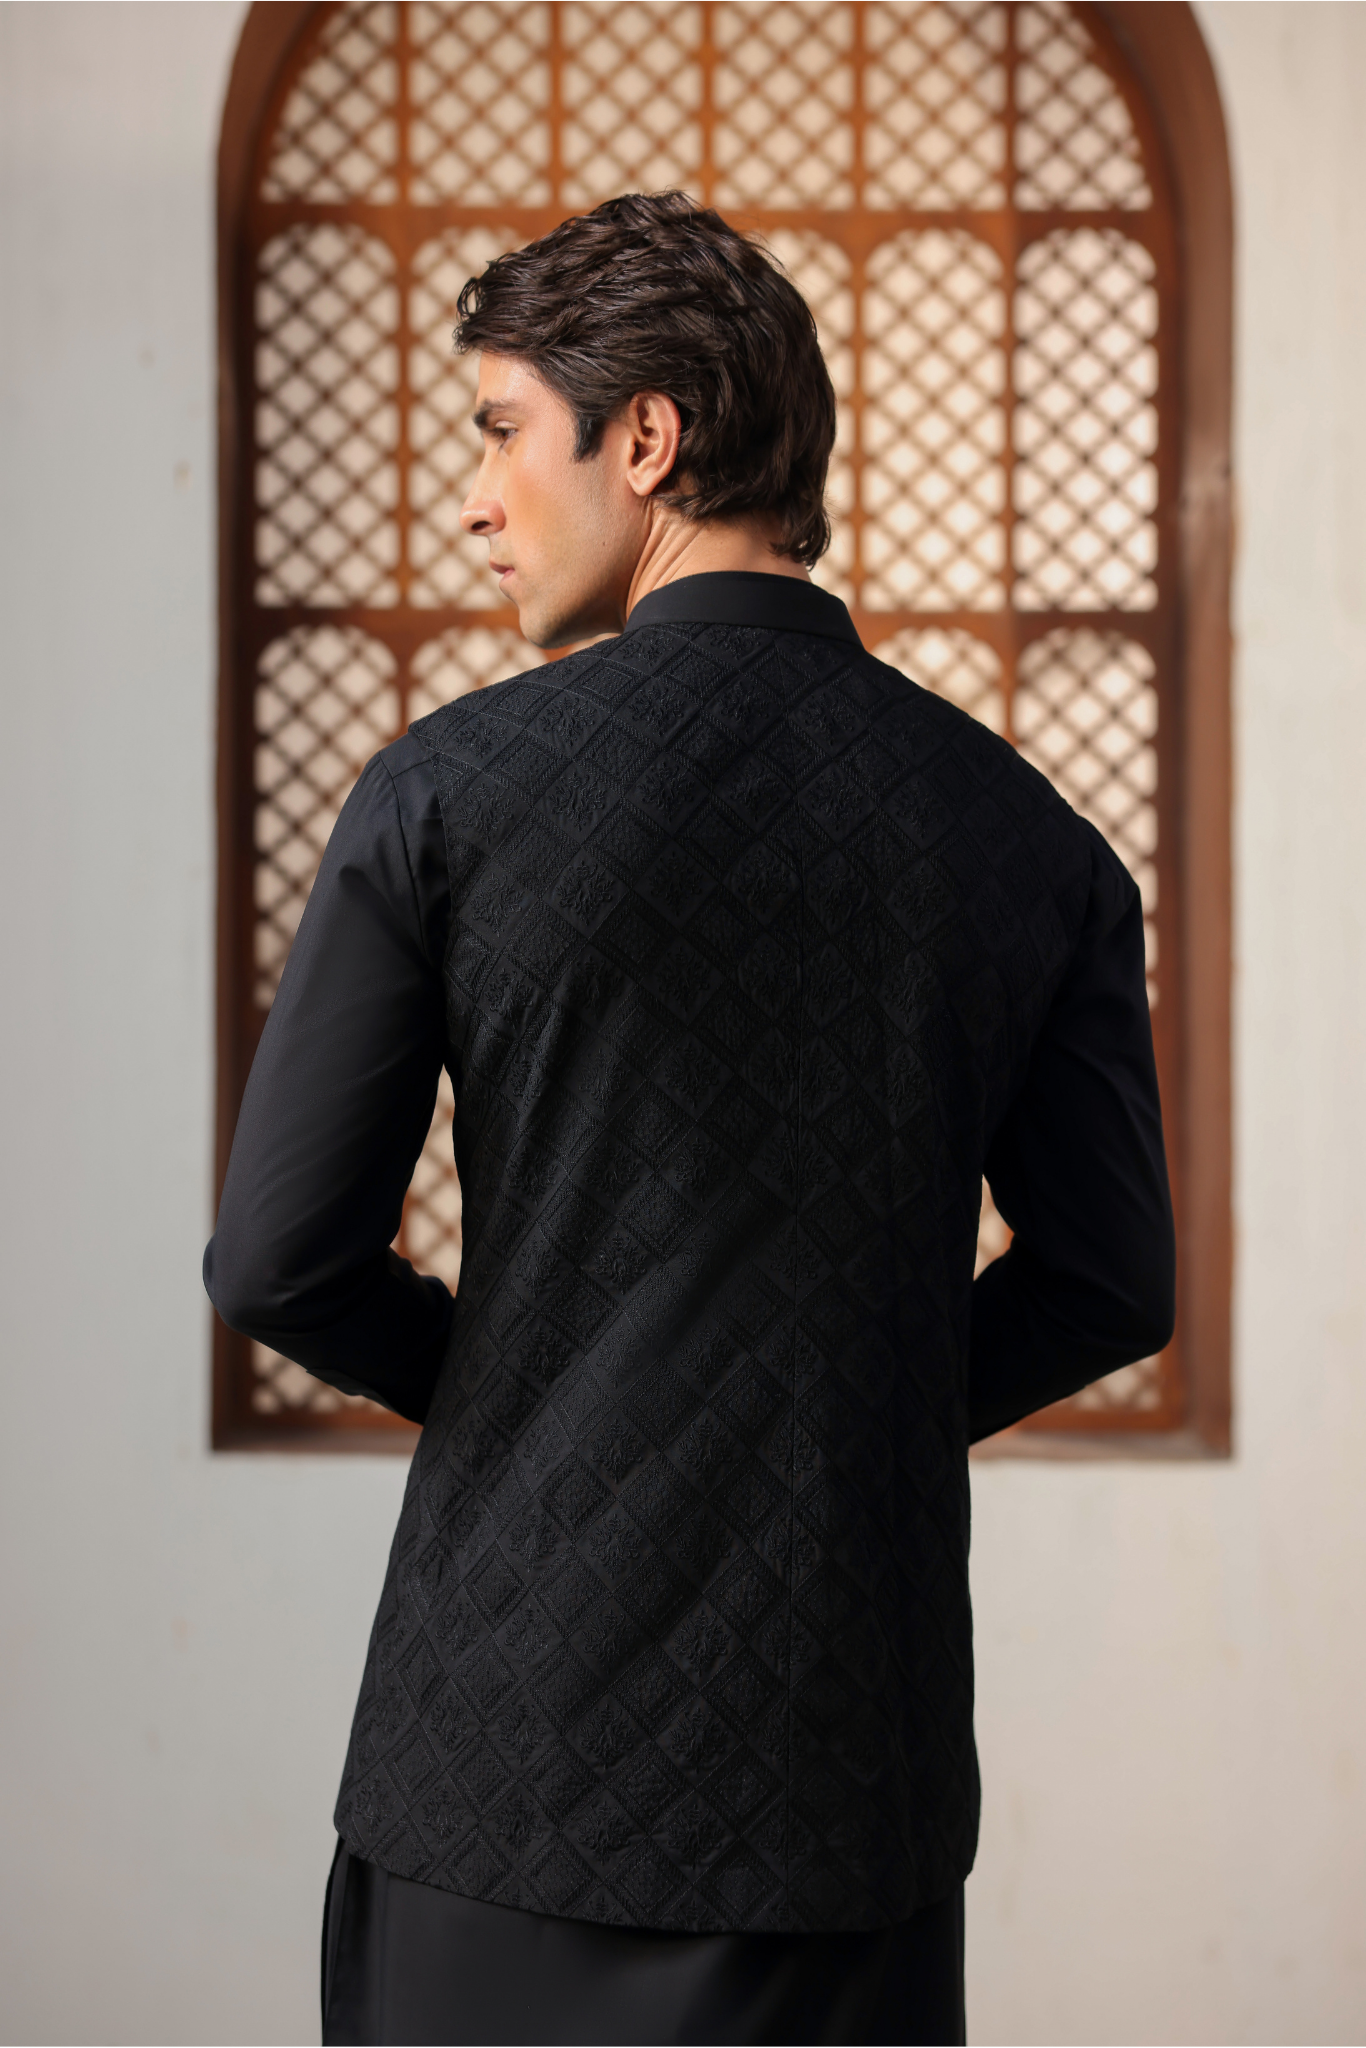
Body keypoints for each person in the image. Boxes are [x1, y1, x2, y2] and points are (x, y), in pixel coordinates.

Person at [205, 191, 1175, 2046]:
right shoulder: (1028, 841)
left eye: (500, 429)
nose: (475, 500)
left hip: (505, 1763)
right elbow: (1111, 1283)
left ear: (642, 437)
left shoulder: (448, 796)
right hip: (847, 1780)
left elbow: (276, 1260)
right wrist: (847, 1404)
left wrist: (544, 1396)